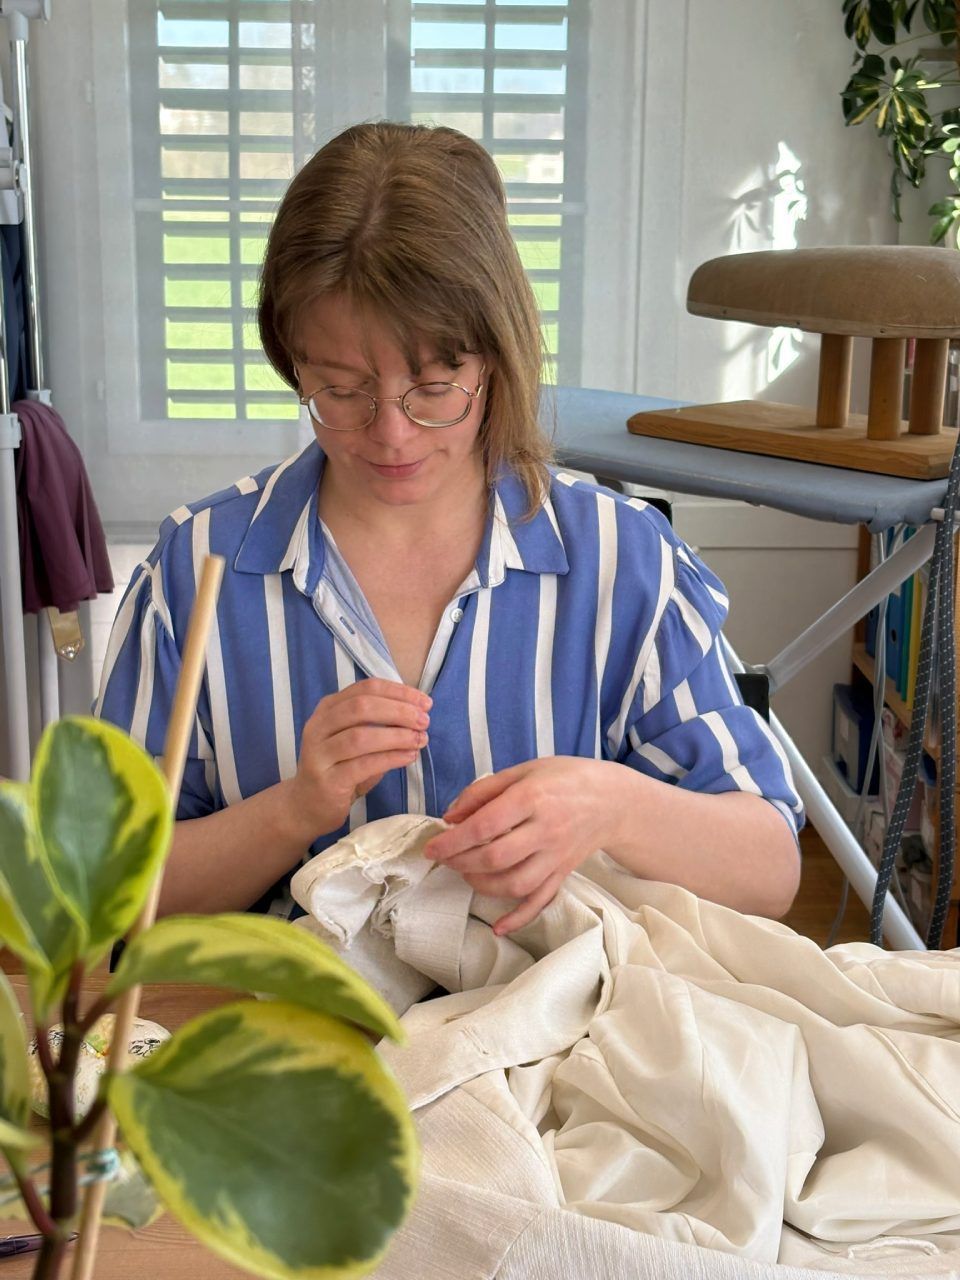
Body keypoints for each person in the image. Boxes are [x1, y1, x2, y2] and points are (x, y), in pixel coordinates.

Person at [96, 121, 803, 934]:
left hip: (554, 1037)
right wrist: (292, 811)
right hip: (287, 1039)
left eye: (435, 386)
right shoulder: (197, 570)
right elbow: (111, 896)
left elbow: (770, 866)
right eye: (341, 387)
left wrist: (611, 807)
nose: (391, 434)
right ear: (293, 361)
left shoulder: (622, 560)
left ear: (496, 359)